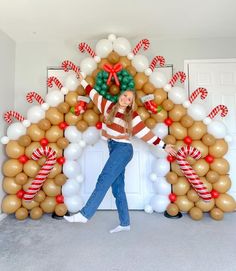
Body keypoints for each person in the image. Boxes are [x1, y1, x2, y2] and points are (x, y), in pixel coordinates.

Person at [64, 73, 176, 233]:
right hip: (113, 148)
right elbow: (93, 93)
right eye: (125, 96)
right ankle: (125, 223)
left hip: (123, 149)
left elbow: (146, 133)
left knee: (104, 179)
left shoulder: (132, 117)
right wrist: (81, 79)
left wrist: (164, 145)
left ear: (131, 104)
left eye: (129, 99)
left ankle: (85, 214)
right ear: (121, 96)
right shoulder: (107, 106)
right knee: (118, 188)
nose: (125, 99)